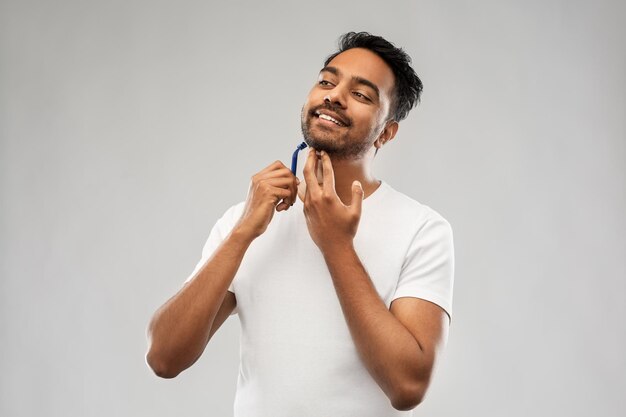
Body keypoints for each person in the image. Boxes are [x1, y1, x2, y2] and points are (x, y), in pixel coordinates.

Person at [146, 31, 455, 416]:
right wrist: (242, 232)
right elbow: (164, 358)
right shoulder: (246, 221)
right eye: (327, 81)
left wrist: (337, 245)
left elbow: (408, 387)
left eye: (361, 94)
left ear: (387, 133)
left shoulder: (423, 230)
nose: (334, 96)